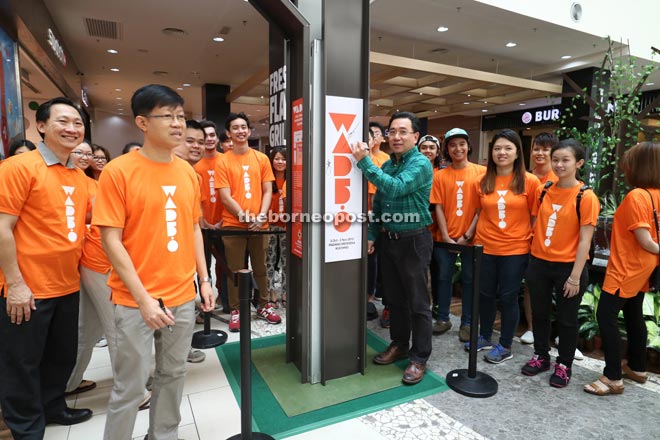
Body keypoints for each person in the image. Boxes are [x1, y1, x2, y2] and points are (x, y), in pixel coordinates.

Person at [94, 84, 214, 440]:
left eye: (180, 115)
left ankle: (164, 435)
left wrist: (203, 281)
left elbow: (193, 227)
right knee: (130, 387)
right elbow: (110, 240)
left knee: (173, 375)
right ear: (143, 123)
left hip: (181, 295)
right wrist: (144, 299)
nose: (177, 124)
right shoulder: (119, 172)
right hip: (135, 300)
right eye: (168, 116)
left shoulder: (187, 173)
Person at [0, 97, 93, 438]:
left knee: (60, 355)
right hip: (27, 287)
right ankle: (25, 427)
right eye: (63, 122)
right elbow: (1, 227)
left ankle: (52, 407)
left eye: (78, 123)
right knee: (21, 362)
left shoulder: (77, 176)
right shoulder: (18, 168)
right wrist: (16, 284)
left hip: (67, 284)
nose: (72, 129)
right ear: (40, 126)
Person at [351, 111, 434, 385]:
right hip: (389, 240)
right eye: (392, 131)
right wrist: (373, 234)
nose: (396, 137)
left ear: (415, 136)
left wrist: (364, 162)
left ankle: (419, 357)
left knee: (418, 303)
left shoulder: (420, 164)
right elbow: (379, 205)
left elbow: (397, 188)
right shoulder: (387, 164)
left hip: (414, 240)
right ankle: (399, 344)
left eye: (403, 132)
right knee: (395, 300)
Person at [521, 139, 599, 388]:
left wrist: (575, 277)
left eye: (565, 160)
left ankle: (564, 364)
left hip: (568, 268)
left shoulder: (586, 196)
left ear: (579, 163)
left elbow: (585, 241)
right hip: (539, 264)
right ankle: (541, 356)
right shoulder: (544, 189)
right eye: (556, 159)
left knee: (567, 319)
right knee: (540, 314)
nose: (559, 164)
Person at [584, 142, 660, 396]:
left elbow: (645, 239)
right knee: (633, 314)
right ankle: (638, 368)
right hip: (643, 267)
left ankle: (613, 376)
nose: (624, 167)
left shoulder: (637, 195)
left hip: (628, 266)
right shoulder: (657, 194)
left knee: (605, 317)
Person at [467, 129, 541, 364]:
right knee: (485, 295)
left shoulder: (530, 181)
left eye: (508, 148)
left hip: (515, 249)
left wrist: (530, 243)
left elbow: (535, 217)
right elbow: (479, 212)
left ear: (518, 152)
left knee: (508, 297)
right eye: (497, 148)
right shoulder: (482, 180)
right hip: (485, 247)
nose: (502, 152)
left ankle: (506, 344)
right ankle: (486, 336)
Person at [215, 112, 281, 332]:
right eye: (235, 127)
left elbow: (267, 190)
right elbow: (225, 196)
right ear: (228, 133)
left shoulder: (261, 158)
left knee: (261, 267)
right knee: (235, 269)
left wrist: (261, 216)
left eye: (244, 127)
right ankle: (236, 309)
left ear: (249, 131)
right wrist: (244, 216)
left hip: (260, 225)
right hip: (233, 224)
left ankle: (263, 305)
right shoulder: (223, 161)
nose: (241, 131)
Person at [430, 129, 485, 342]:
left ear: (468, 146)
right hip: (444, 239)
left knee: (471, 280)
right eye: (453, 145)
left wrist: (468, 233)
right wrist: (444, 235)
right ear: (447, 149)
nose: (458, 148)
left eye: (462, 144)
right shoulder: (440, 175)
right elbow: (439, 207)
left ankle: (468, 323)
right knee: (443, 278)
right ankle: (443, 318)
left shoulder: (482, 172)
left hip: (473, 239)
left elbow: (482, 207)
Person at [521, 132, 559, 345]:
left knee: (561, 289)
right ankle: (531, 328)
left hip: (555, 242)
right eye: (536, 148)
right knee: (531, 286)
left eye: (545, 149)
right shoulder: (526, 177)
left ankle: (561, 333)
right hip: (528, 241)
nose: (540, 153)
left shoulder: (560, 179)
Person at [196, 120, 229, 313]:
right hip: (201, 225)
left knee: (225, 266)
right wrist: (203, 220)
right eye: (204, 136)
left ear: (217, 138)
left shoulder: (226, 160)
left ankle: (226, 303)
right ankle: (205, 304)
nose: (208, 139)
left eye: (212, 135)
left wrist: (224, 218)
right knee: (204, 267)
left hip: (226, 222)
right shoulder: (194, 164)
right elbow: (193, 198)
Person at [366, 124, 391, 326]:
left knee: (373, 262)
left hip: (372, 220)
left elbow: (379, 194)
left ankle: (369, 299)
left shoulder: (384, 161)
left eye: (373, 135)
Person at [266, 147, 287, 307]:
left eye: (283, 159)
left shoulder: (293, 179)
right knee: (270, 260)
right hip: (270, 226)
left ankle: (286, 292)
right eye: (277, 159)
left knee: (286, 261)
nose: (280, 162)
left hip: (288, 227)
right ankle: (270, 292)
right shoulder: (267, 180)